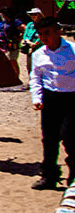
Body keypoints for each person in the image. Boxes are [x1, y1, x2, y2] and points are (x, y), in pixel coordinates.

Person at [29, 16, 75, 189]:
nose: (43, 37)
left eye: (47, 33)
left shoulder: (72, 50)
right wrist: (37, 98)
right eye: (40, 34)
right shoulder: (39, 54)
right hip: (50, 99)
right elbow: (35, 78)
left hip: (72, 99)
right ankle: (49, 175)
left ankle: (74, 177)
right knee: (49, 139)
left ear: (58, 31)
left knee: (70, 138)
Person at [21, 7, 45, 77]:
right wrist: (29, 43)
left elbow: (42, 35)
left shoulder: (42, 24)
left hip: (39, 48)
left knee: (39, 66)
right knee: (29, 66)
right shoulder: (29, 24)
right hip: (29, 48)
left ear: (39, 15)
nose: (33, 16)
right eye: (31, 14)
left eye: (35, 14)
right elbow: (25, 35)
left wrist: (35, 44)